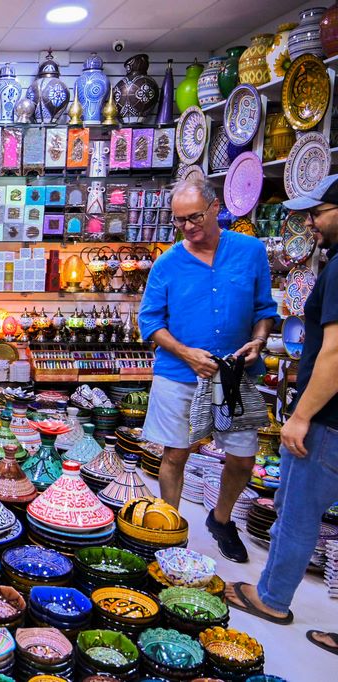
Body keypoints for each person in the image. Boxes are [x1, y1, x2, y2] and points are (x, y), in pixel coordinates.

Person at [138, 178, 279, 562]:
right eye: (179, 220)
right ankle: (170, 529)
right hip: (179, 372)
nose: (187, 227)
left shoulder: (250, 251)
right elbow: (150, 322)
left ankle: (221, 519)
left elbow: (264, 310)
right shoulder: (167, 263)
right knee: (175, 454)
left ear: (216, 208)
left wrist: (258, 340)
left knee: (243, 458)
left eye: (195, 217)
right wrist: (186, 353)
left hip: (233, 374)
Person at [225, 175, 338, 650]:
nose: (310, 222)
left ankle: (271, 598)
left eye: (318, 213)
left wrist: (302, 415)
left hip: (328, 418)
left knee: (296, 511)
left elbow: (334, 352)